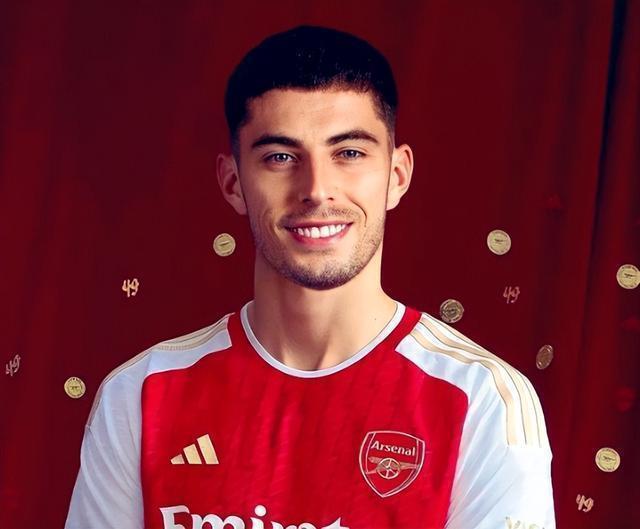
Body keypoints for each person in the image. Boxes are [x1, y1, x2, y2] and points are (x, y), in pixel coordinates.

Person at [65, 25, 555, 529]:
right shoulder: (140, 394)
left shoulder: (483, 401)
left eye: (349, 153)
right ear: (233, 183)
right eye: (280, 157)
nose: (317, 189)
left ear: (397, 176)